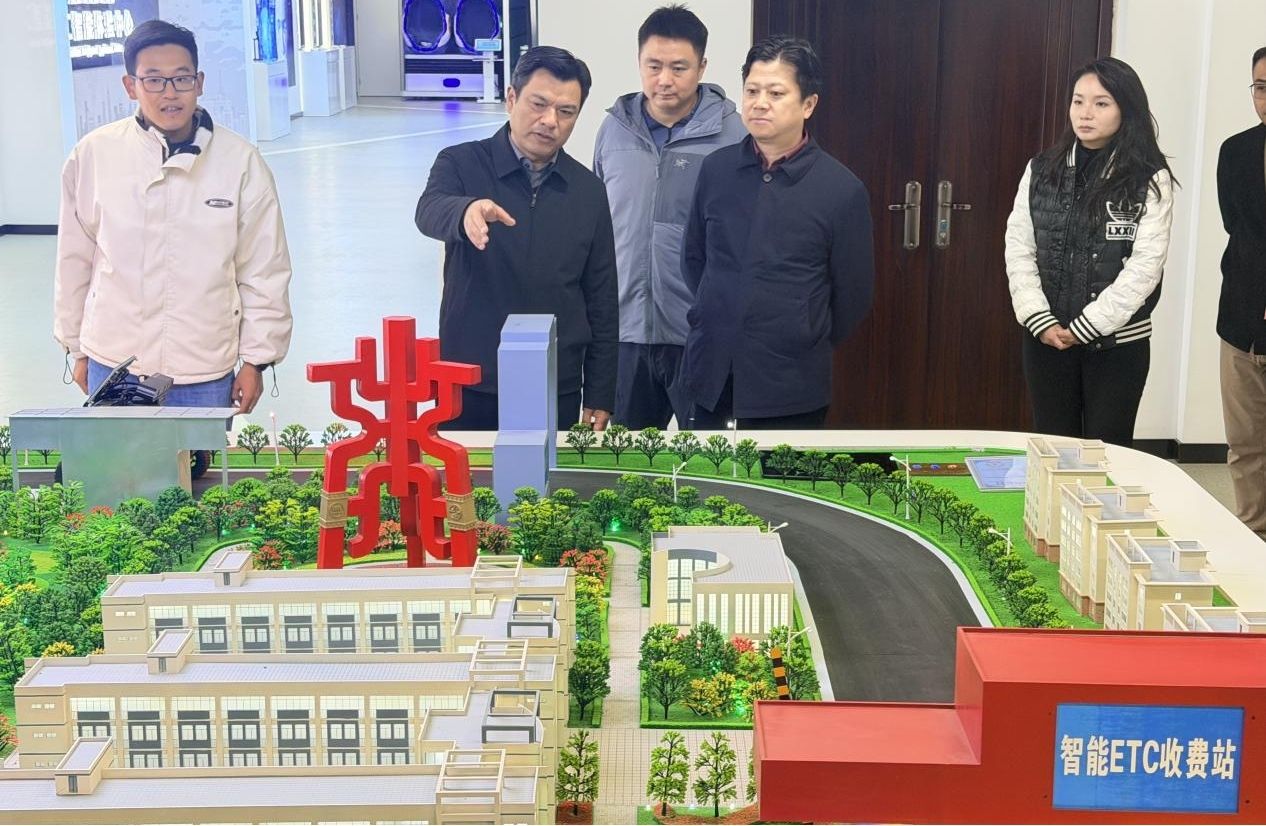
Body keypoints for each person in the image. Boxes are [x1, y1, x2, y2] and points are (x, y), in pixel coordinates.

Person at [54, 19, 293, 414]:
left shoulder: (240, 162)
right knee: (114, 457)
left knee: (198, 457)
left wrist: (256, 360)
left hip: (203, 367)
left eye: (181, 79)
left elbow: (265, 269)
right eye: (153, 80)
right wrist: (77, 349)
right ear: (130, 86)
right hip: (113, 360)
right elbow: (73, 260)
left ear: (199, 83)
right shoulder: (94, 155)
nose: (169, 93)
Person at [416, 46, 618, 431]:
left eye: (566, 111)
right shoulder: (460, 163)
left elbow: (602, 298)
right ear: (511, 98)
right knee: (467, 471)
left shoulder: (589, 191)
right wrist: (465, 210)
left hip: (554, 383)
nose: (549, 121)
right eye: (538, 104)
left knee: (548, 473)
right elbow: (428, 210)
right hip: (469, 379)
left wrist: (600, 390)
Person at [680, 36, 874, 430]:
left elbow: (853, 296)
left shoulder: (841, 189)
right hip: (712, 370)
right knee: (706, 470)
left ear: (808, 104)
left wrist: (801, 330)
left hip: (791, 382)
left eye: (776, 93)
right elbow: (693, 260)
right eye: (752, 90)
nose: (759, 103)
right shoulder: (716, 170)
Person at [1004, 57, 1175, 447]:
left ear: (1125, 108)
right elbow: (1019, 248)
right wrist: (1038, 318)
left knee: (1108, 454)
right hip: (1046, 337)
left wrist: (1086, 326)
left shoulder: (1149, 177)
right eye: (1078, 101)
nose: (1085, 113)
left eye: (1101, 103)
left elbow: (1145, 268)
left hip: (1116, 344)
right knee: (1053, 451)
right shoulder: (1040, 169)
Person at [592, 4, 745, 429]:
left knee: (707, 457)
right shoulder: (614, 130)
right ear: (639, 62)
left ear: (702, 67)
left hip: (698, 334)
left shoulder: (734, 137)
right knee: (627, 458)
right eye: (653, 65)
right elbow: (599, 229)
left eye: (679, 68)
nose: (664, 79)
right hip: (626, 332)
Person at [1216, 46, 1266, 537]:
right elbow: (1237, 227)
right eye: (1261, 87)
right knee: (1246, 442)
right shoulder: (1235, 151)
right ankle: (1253, 535)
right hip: (1241, 322)